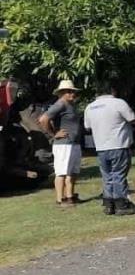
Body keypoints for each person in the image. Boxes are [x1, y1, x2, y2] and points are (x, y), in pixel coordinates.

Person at [83, 80, 135, 216]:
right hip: (118, 145)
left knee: (107, 176)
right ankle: (121, 204)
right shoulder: (118, 103)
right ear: (112, 90)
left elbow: (87, 127)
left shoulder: (89, 107)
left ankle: (109, 204)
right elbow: (133, 120)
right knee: (119, 174)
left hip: (101, 147)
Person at [37, 79, 83, 207]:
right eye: (69, 92)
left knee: (72, 172)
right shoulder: (60, 104)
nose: (72, 94)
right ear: (61, 93)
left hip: (73, 143)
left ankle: (70, 197)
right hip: (63, 144)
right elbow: (43, 119)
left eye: (73, 91)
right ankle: (60, 199)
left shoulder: (70, 105)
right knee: (62, 172)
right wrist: (53, 134)